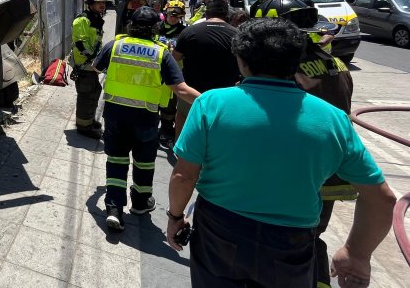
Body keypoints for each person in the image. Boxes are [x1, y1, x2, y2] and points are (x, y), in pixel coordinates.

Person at [166, 19, 396, 288]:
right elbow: (382, 199)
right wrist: (357, 253)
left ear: (241, 60)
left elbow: (183, 176)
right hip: (291, 243)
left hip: (219, 233)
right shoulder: (333, 119)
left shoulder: (211, 104)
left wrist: (174, 217)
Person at [250, 0, 358, 288]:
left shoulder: (288, 70)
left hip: (297, 174)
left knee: (284, 246)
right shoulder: (334, 62)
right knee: (311, 239)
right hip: (330, 172)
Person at [92, 6, 200, 231]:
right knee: (144, 163)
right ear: (155, 28)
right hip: (146, 118)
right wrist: (211, 102)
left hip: (115, 116)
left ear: (131, 25)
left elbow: (95, 67)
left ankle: (113, 208)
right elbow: (180, 89)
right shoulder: (161, 52)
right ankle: (140, 204)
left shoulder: (116, 45)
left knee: (116, 161)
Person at [171, 0, 240, 140]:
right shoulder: (237, 34)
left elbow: (175, 58)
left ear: (206, 14)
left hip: (191, 90)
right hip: (224, 93)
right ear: (226, 15)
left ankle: (180, 148)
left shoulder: (190, 32)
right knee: (217, 126)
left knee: (183, 117)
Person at [70, 0, 112, 139]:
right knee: (87, 95)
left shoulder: (96, 19)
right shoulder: (82, 20)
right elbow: (80, 43)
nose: (103, 5)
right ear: (90, 2)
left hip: (92, 65)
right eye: (99, 2)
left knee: (95, 91)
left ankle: (88, 121)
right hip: (85, 65)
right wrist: (92, 58)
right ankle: (83, 127)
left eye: (105, 2)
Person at [157, 0, 188, 147]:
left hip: (175, 74)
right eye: (171, 14)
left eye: (177, 15)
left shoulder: (185, 32)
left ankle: (166, 131)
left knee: (169, 107)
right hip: (155, 74)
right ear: (166, 13)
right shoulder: (156, 28)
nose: (173, 17)